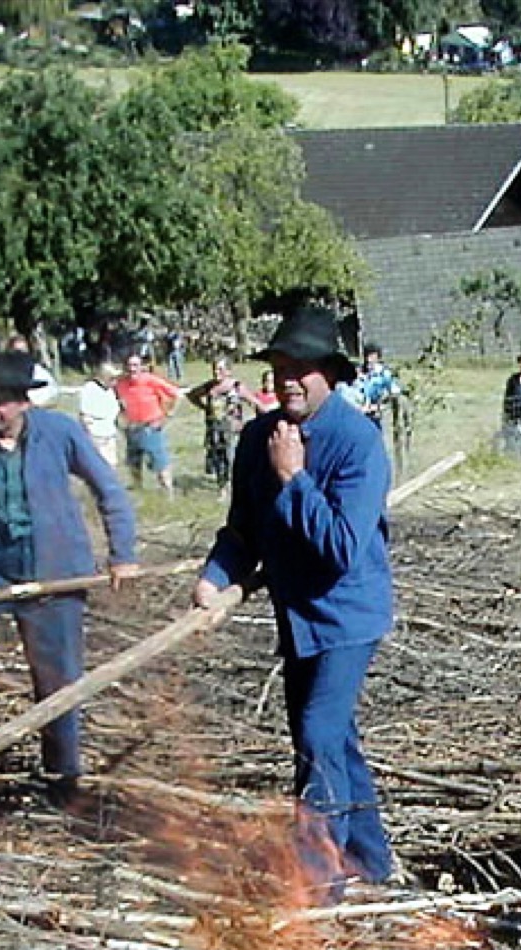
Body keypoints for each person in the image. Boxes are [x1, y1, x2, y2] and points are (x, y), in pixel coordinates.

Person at [192, 305, 397, 896]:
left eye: (301, 368)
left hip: (346, 612)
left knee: (316, 734)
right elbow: (242, 532)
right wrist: (215, 579)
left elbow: (337, 548)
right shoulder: (257, 437)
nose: (287, 379)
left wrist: (295, 478)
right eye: (279, 366)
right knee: (331, 737)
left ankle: (317, 879)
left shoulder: (357, 443)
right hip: (295, 614)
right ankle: (371, 860)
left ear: (330, 375)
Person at [0, 351, 141, 790]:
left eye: (2, 401)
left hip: (53, 568)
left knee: (57, 674)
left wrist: (122, 553)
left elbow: (108, 488)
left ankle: (62, 773)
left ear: (24, 401)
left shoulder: (59, 432)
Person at [114, 352, 182, 499]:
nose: (132, 369)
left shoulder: (151, 380)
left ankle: (168, 494)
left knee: (160, 462)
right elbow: (115, 400)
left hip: (150, 427)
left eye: (135, 365)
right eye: (129, 365)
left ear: (142, 367)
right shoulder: (121, 384)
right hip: (132, 428)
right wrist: (120, 421)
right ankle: (138, 490)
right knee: (133, 462)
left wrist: (167, 415)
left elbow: (176, 394)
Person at [188, 357, 252, 486]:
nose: (216, 372)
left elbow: (255, 402)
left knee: (230, 457)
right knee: (216, 456)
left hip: (231, 430)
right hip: (214, 428)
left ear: (228, 371)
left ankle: (233, 483)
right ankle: (222, 484)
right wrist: (205, 407)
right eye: (214, 369)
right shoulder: (209, 386)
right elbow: (192, 395)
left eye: (220, 369)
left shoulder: (236, 386)